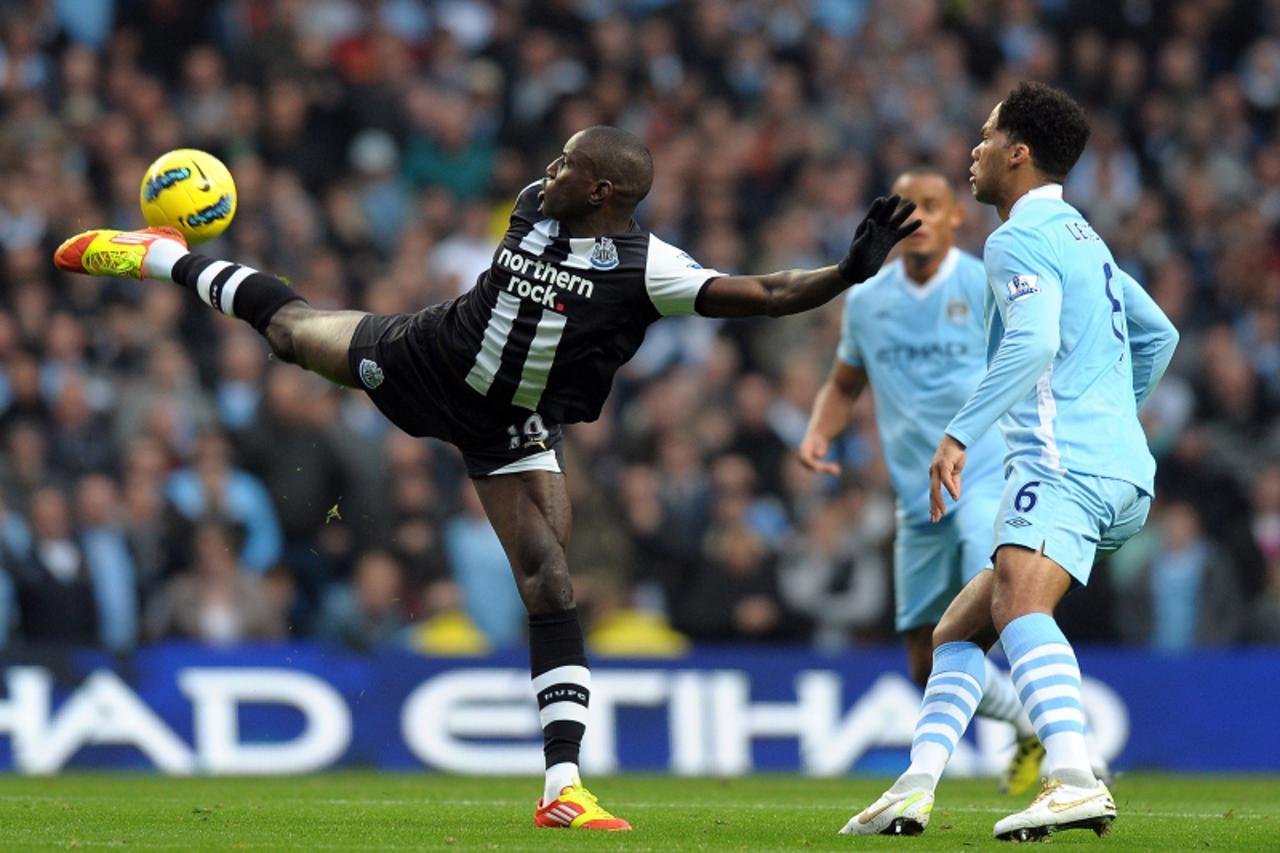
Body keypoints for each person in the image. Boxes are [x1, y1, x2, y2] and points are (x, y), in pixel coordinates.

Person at [53, 124, 920, 832]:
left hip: (510, 424)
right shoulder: (537, 205)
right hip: (427, 355)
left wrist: (846, 273)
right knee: (290, 334)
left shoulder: (650, 269)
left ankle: (563, 785)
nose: (550, 171)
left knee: (550, 579)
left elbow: (765, 291)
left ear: (606, 192)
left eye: (571, 165)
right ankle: (158, 256)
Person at [842, 83, 1178, 841]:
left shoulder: (1014, 239)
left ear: (1017, 154)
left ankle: (1072, 775)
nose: (974, 149)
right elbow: (1159, 334)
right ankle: (914, 785)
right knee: (955, 632)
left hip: (1063, 466)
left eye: (986, 136)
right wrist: (1111, 414)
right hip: (1117, 470)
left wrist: (959, 434)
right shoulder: (1084, 237)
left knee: (1020, 610)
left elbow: (1032, 342)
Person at [799, 166, 1044, 794]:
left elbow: (1036, 352)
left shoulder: (985, 282)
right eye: (907, 209)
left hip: (983, 478)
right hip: (916, 499)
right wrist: (821, 431)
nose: (920, 219)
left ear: (956, 217)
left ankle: (1062, 741)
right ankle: (1030, 723)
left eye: (932, 206)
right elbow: (845, 382)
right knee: (921, 660)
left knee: (988, 616)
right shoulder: (867, 300)